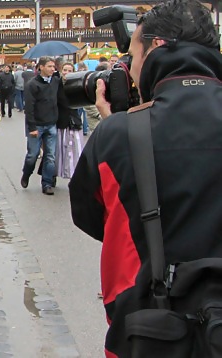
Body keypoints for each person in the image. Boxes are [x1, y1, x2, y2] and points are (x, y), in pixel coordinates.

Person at [69, 1, 222, 356]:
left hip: (151, 328)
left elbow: (91, 215)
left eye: (133, 56)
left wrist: (117, 125)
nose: (132, 70)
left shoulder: (120, 135)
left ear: (154, 48)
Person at [21, 57, 66, 195]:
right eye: (49, 66)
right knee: (32, 155)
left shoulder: (56, 82)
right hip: (37, 126)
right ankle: (26, 173)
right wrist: (32, 127)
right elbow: (29, 108)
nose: (53, 69)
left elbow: (62, 99)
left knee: (50, 156)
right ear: (41, 67)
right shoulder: (32, 85)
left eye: (54, 66)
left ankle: (47, 183)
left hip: (51, 124)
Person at [55, 63, 84, 179]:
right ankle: (54, 176)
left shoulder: (76, 84)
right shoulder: (56, 84)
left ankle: (74, 175)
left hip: (73, 121)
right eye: (65, 70)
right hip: (60, 121)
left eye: (69, 70)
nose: (67, 72)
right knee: (59, 150)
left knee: (75, 149)